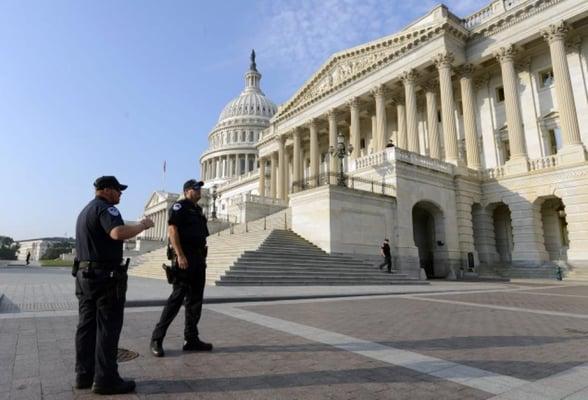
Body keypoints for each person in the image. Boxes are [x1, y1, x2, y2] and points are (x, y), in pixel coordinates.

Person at [74, 176, 154, 395]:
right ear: (107, 190)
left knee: (86, 327)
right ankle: (106, 379)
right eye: (118, 190)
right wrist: (142, 225)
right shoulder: (107, 209)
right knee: (107, 328)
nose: (121, 194)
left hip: (84, 276)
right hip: (104, 278)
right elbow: (117, 233)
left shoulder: (86, 210)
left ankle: (84, 375)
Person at [150, 179, 212, 357]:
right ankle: (157, 338)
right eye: (196, 188)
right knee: (176, 299)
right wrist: (180, 255)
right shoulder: (180, 207)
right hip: (185, 258)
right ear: (186, 191)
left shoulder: (198, 210)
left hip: (199, 258)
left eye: (200, 188)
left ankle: (191, 339)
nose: (199, 191)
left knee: (195, 301)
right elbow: (172, 230)